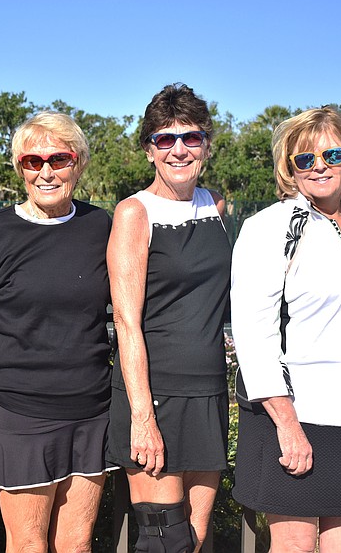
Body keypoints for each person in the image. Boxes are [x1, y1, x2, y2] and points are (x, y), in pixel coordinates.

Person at [230, 106, 341, 553]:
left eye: (331, 153)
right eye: (304, 159)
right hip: (295, 421)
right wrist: (287, 424)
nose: (319, 165)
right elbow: (254, 334)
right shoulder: (268, 227)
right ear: (289, 169)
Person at [0, 111, 114, 552]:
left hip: (91, 409)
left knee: (77, 546)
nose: (45, 171)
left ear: (78, 163)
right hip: (20, 412)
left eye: (58, 158)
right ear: (19, 168)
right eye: (31, 161)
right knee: (27, 545)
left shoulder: (101, 226)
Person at [105, 83, 231, 553]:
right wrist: (142, 416)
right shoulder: (135, 213)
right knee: (164, 541)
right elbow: (125, 322)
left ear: (206, 145)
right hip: (155, 398)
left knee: (196, 538)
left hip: (209, 392)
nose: (179, 149)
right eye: (165, 139)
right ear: (149, 151)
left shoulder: (216, 206)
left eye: (191, 137)